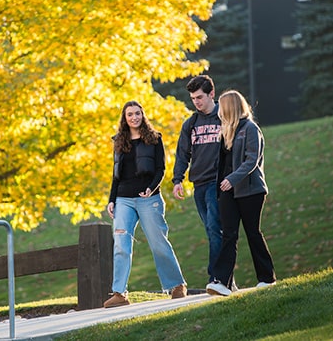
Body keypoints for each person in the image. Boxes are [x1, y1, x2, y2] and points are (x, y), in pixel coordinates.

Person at [104, 101, 188, 308]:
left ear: (143, 115)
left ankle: (177, 285)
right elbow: (115, 175)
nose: (134, 117)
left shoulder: (154, 139)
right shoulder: (118, 142)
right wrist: (111, 200)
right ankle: (119, 293)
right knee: (121, 245)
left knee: (158, 242)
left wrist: (151, 188)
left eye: (137, 113)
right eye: (130, 114)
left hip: (148, 199)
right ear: (124, 118)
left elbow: (161, 169)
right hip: (124, 199)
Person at [206, 90, 276, 296]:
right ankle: (222, 282)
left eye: (222, 106)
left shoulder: (250, 128)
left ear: (230, 107)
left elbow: (251, 160)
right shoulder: (227, 130)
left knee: (253, 232)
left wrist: (232, 179)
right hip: (228, 191)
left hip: (250, 190)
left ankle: (266, 278)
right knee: (229, 234)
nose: (219, 110)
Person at [172, 75, 222, 283]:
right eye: (193, 98)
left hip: (218, 182)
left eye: (200, 97)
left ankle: (218, 278)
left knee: (214, 227)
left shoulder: (224, 116)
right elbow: (182, 153)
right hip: (199, 184)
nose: (197, 102)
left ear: (211, 94)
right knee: (211, 231)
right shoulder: (191, 123)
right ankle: (226, 277)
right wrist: (177, 180)